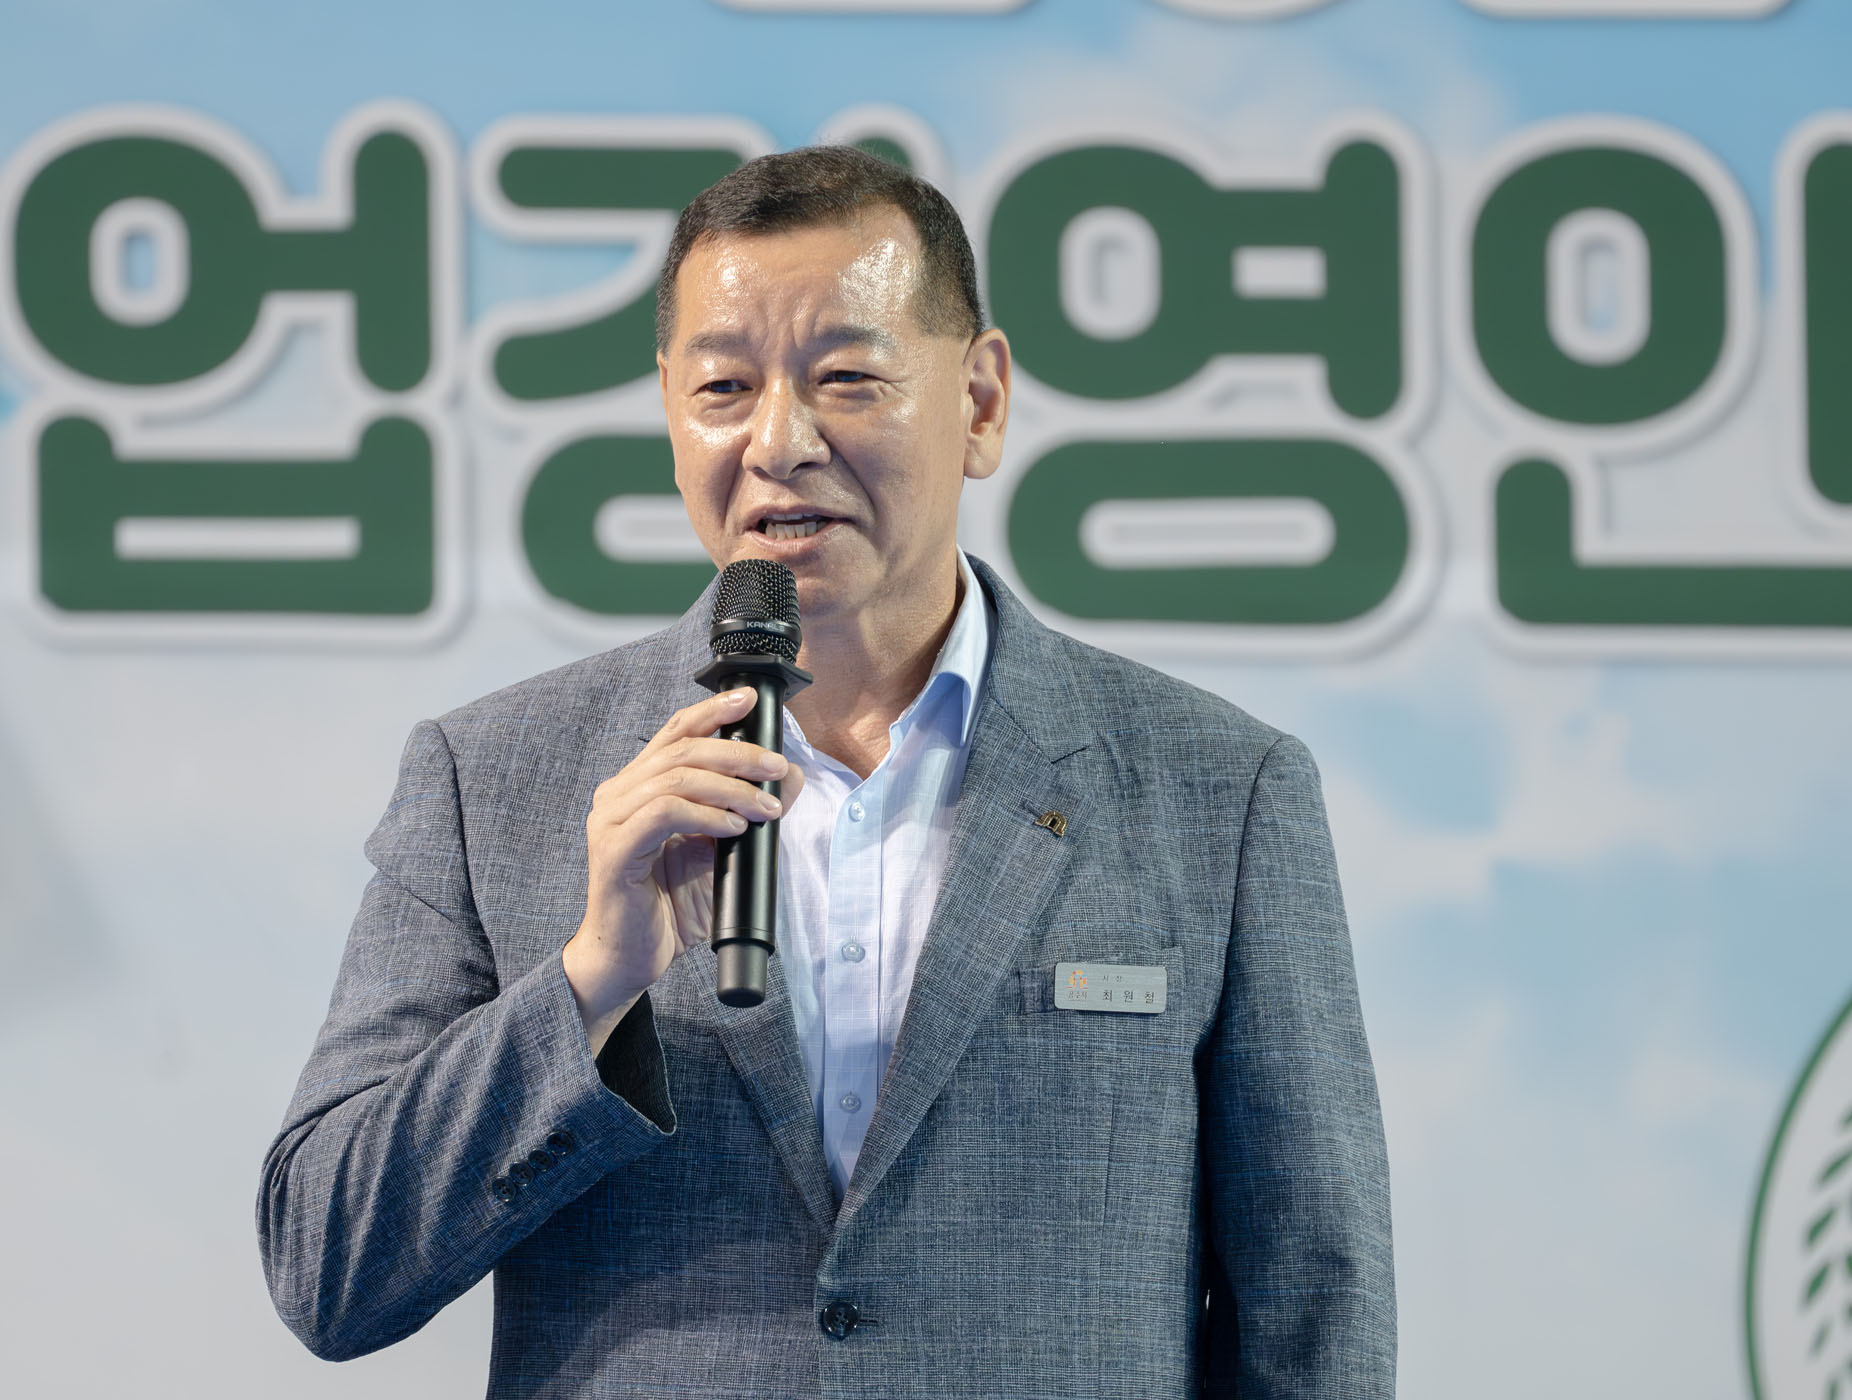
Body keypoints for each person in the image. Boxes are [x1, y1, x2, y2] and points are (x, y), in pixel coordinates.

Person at [258, 146, 1394, 1398]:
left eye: (847, 377)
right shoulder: (490, 779)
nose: (778, 441)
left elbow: (1315, 1315)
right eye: (724, 387)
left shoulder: (1221, 790)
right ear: (670, 410)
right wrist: (588, 985)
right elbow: (326, 1264)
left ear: (980, 402)